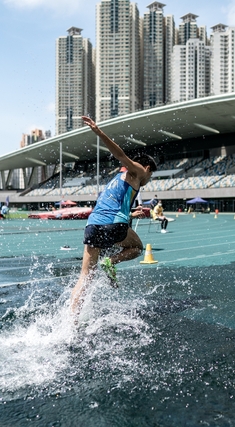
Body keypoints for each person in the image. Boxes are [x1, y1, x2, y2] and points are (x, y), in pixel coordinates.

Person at [69, 116, 157, 315]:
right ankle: (110, 262)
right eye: (150, 177)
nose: (148, 180)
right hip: (113, 225)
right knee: (136, 247)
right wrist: (98, 132)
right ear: (148, 169)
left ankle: (71, 323)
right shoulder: (139, 171)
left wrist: (131, 213)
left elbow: (112, 207)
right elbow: (121, 155)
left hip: (93, 225)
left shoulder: (117, 179)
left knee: (85, 277)